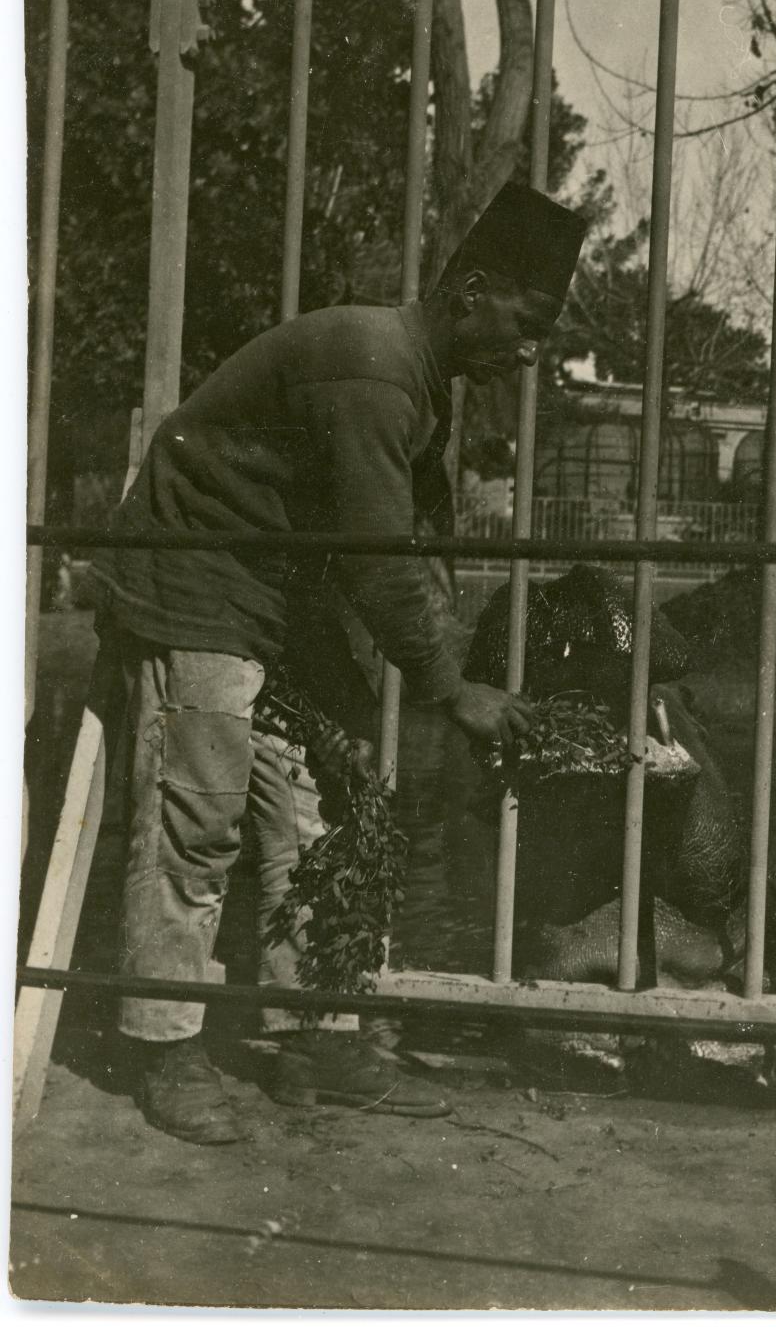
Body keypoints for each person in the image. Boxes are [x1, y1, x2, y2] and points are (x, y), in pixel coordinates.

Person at [92, 182, 587, 1144]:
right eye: (524, 326)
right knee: (199, 815)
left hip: (277, 590)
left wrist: (451, 660)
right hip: (195, 577)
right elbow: (377, 560)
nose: (529, 354)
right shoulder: (372, 368)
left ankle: (318, 1040)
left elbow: (408, 546)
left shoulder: (420, 383)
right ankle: (163, 1045)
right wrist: (452, 691)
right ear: (471, 290)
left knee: (329, 800)